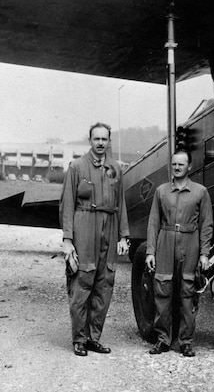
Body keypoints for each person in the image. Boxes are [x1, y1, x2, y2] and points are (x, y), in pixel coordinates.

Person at [60, 122, 130, 357]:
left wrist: (123, 235)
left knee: (104, 284)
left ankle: (93, 337)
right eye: (96, 139)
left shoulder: (115, 169)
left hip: (109, 227)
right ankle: (79, 338)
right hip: (84, 226)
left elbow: (120, 204)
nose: (100, 143)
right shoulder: (77, 167)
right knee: (82, 282)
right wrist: (68, 239)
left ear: (109, 141)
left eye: (104, 139)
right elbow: (67, 205)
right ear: (89, 140)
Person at [145, 149, 213, 357]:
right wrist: (150, 252)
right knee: (162, 291)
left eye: (181, 164)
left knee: (188, 292)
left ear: (189, 166)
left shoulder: (200, 192)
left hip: (190, 241)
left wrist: (204, 253)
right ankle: (163, 339)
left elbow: (206, 224)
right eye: (174, 164)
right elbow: (153, 223)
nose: (176, 167)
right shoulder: (161, 191)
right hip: (165, 240)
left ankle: (185, 341)